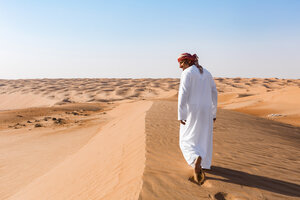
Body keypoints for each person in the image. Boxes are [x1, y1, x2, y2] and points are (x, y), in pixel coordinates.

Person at [177, 53, 218, 185]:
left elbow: (183, 93)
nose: (180, 66)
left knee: (185, 138)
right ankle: (203, 162)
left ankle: (195, 158)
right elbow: (214, 92)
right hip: (206, 110)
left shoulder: (187, 73)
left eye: (182, 63)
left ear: (188, 62)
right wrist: (213, 112)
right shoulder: (207, 73)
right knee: (203, 137)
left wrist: (181, 114)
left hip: (192, 110)